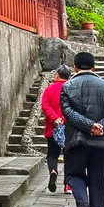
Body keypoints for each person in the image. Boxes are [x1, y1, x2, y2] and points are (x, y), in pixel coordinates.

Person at [60, 51, 104, 207]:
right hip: (101, 142)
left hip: (77, 141)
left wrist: (88, 126)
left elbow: (68, 112)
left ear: (75, 68)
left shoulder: (68, 86)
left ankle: (83, 204)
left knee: (73, 175)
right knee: (97, 181)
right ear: (94, 67)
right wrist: (101, 126)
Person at [40, 64, 72, 193]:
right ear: (69, 76)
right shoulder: (71, 89)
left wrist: (54, 118)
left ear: (57, 75)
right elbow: (72, 107)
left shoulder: (49, 89)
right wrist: (63, 119)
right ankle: (68, 185)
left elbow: (44, 105)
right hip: (68, 128)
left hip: (52, 128)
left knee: (52, 154)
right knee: (69, 156)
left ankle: (53, 170)